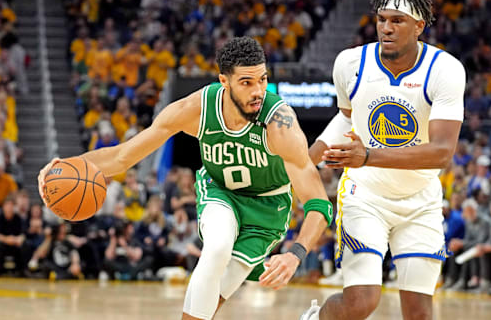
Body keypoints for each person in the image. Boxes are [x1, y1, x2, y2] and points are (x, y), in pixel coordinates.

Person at [38, 37, 333, 320]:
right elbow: (122, 157)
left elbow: (319, 204)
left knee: (219, 292)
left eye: (262, 80)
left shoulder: (280, 124)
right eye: (246, 82)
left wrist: (295, 253)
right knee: (217, 248)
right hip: (221, 191)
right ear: (224, 82)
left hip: (267, 207)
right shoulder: (195, 110)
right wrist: (66, 166)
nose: (258, 91)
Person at [303, 0, 465, 320]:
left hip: (421, 199)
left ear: (419, 26)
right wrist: (307, 159)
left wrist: (368, 155)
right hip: (366, 194)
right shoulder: (350, 63)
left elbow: (441, 152)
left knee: (419, 312)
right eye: (381, 19)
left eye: (397, 21)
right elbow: (345, 118)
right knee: (362, 302)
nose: (386, 28)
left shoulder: (444, 70)